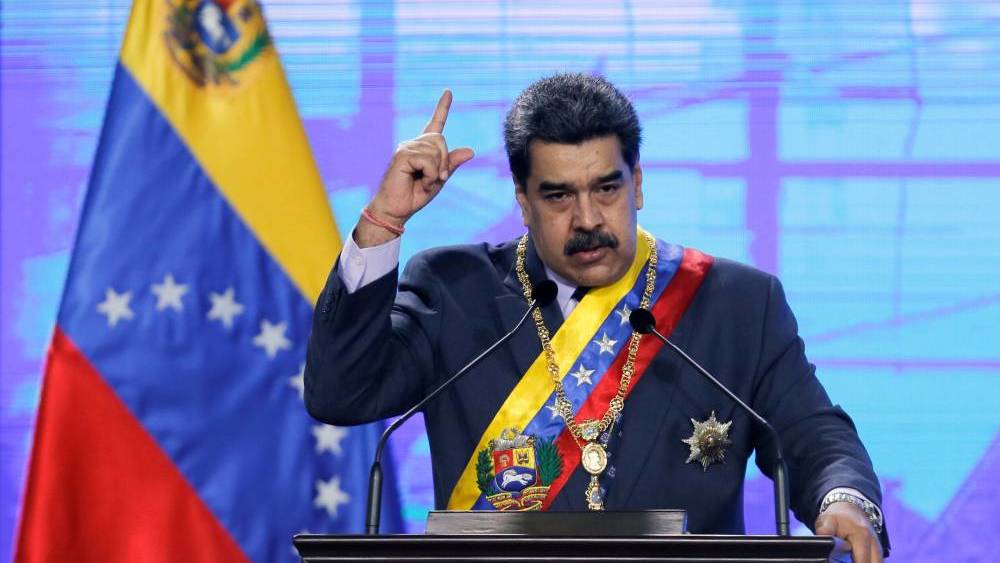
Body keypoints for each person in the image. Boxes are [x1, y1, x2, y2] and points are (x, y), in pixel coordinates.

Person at [305, 73, 889, 562]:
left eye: (607, 188)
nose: (587, 219)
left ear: (639, 184)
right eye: (559, 196)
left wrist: (842, 498)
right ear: (523, 201)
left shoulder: (736, 303)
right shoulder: (454, 291)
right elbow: (340, 393)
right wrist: (383, 221)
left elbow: (814, 434)